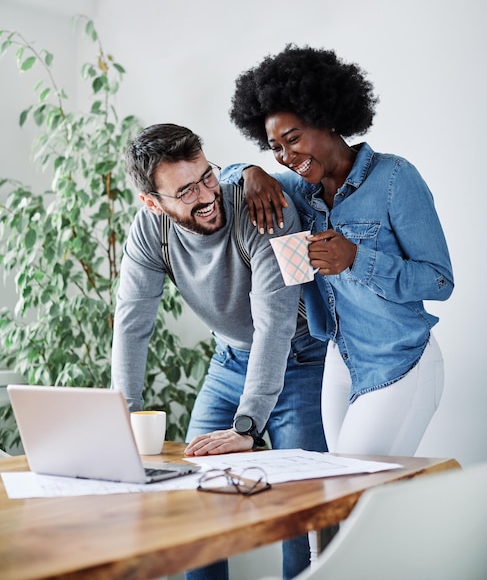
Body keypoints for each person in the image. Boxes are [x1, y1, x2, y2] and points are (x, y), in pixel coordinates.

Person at [111, 123, 328, 580]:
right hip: (229, 361)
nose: (206, 194)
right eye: (186, 190)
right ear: (153, 203)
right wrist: (121, 421)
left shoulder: (264, 209)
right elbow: (132, 325)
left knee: (300, 513)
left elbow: (275, 321)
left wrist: (248, 424)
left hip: (299, 359)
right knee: (199, 502)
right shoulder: (151, 232)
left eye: (207, 175)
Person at [225, 44, 454, 456]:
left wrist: (357, 259)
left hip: (398, 359)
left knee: (355, 487)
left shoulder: (394, 178)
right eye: (274, 148)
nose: (285, 156)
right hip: (339, 358)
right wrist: (249, 171)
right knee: (341, 490)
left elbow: (439, 280)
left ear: (327, 118)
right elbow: (220, 177)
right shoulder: (296, 191)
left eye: (292, 139)